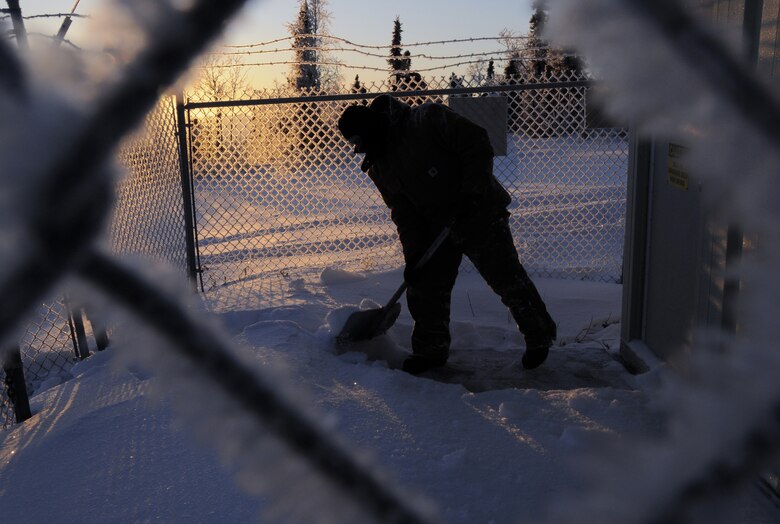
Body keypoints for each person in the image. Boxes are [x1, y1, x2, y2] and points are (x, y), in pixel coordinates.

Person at [337, 94, 556, 374]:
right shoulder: (379, 163)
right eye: (357, 145)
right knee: (425, 287)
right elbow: (402, 212)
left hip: (479, 212)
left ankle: (539, 336)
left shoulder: (427, 119)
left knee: (505, 276)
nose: (363, 149)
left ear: (375, 127)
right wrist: (413, 255)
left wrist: (472, 192)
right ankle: (430, 351)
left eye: (362, 141)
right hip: (434, 227)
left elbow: (476, 143)